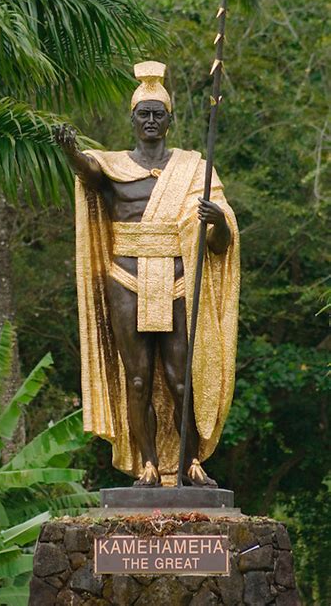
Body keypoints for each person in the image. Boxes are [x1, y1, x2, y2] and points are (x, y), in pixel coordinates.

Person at [56, 61, 240, 487]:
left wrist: (220, 222)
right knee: (137, 377)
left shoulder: (195, 169)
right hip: (128, 279)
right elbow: (89, 172)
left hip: (177, 280)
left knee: (181, 379)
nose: (152, 120)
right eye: (145, 114)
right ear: (133, 119)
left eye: (159, 113)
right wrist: (70, 152)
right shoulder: (114, 166)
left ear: (170, 120)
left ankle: (191, 464)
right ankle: (150, 465)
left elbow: (220, 245)